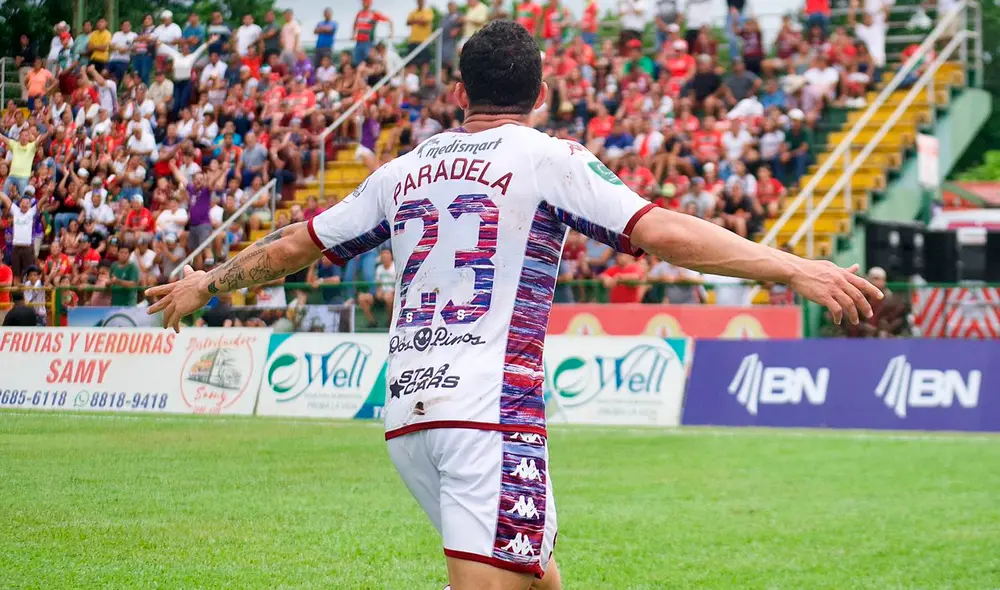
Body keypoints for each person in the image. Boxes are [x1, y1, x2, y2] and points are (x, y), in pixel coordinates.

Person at [146, 21, 881, 590]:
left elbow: (291, 245)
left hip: (407, 417)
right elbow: (659, 230)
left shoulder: (401, 171)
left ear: (459, 92)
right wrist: (794, 269)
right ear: (542, 94)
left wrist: (205, 283)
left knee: (534, 573)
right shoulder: (547, 158)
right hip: (487, 412)